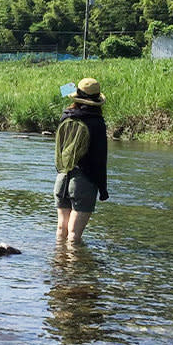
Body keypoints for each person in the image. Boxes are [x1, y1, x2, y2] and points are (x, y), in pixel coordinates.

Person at [54, 77, 108, 245]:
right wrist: (103, 189)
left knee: (61, 230)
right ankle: (74, 270)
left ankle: (59, 265)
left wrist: (71, 85)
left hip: (62, 178)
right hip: (83, 182)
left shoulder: (66, 115)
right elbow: (99, 160)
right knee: (74, 236)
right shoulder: (97, 123)